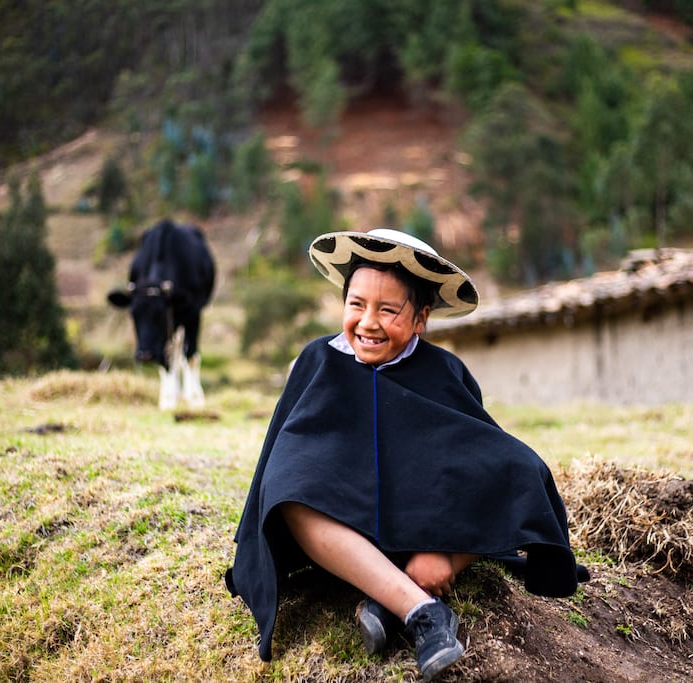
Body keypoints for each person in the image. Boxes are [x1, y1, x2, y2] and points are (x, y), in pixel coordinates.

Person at [226, 228, 584, 681]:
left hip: (429, 529)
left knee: (519, 472)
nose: (368, 323)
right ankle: (421, 612)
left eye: (388, 310)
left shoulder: (445, 371)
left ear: (421, 319)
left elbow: (479, 460)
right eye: (356, 305)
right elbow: (288, 454)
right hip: (345, 527)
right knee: (289, 492)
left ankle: (395, 592)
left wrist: (444, 551)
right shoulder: (318, 361)